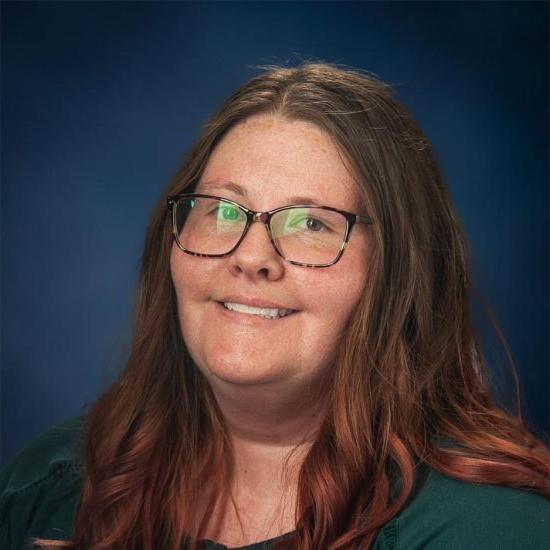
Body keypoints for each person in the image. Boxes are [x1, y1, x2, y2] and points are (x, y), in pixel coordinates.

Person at [1, 62, 549, 550]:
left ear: (398, 276)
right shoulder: (53, 486)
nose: (251, 257)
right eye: (222, 211)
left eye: (311, 223)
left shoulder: (490, 528)